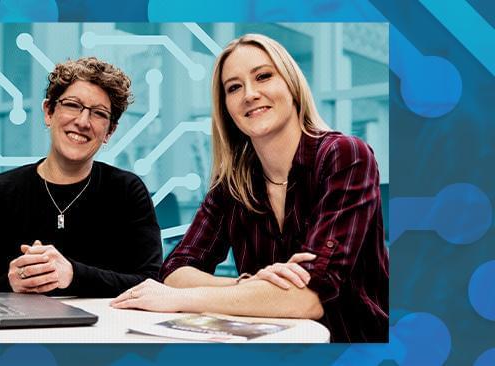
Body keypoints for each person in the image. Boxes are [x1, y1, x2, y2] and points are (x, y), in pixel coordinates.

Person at [111, 34, 388, 342]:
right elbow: (176, 271)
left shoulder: (344, 156)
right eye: (234, 87)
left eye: (263, 76)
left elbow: (307, 299)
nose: (250, 94)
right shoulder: (232, 184)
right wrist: (248, 286)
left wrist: (182, 298)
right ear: (226, 107)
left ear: (292, 85)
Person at [0, 57, 162, 297]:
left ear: (110, 131)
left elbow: (150, 282)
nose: (82, 121)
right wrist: (10, 284)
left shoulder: (128, 191)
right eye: (72, 105)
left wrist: (72, 275)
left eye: (98, 113)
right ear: (49, 112)